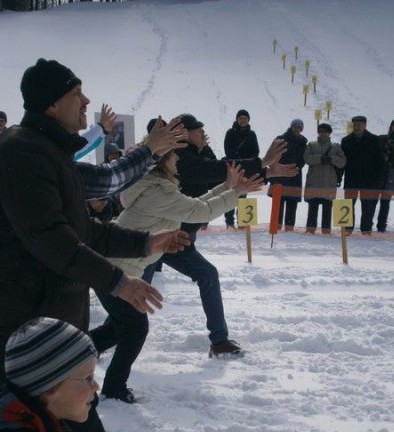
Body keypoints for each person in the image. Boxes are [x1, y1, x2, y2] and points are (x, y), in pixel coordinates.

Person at [0, 58, 189, 432]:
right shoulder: (21, 153)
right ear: (52, 102)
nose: (86, 101)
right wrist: (119, 283)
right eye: (78, 93)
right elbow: (50, 239)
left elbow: (87, 231)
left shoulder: (49, 153)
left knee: (82, 415)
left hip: (50, 324)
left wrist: (148, 243)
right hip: (21, 326)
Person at [90, 154, 263, 402]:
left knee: (120, 328)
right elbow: (199, 210)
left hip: (117, 267)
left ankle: (80, 348)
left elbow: (193, 206)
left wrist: (227, 187)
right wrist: (236, 193)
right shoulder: (159, 192)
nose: (177, 162)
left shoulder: (156, 187)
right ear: (162, 163)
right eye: (173, 158)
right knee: (135, 328)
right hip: (118, 271)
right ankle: (114, 387)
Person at [150, 113, 297, 358]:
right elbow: (215, 171)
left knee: (208, 274)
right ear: (185, 134)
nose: (203, 134)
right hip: (154, 240)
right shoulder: (178, 158)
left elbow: (225, 179)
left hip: (179, 241)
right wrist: (261, 162)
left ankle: (219, 341)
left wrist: (268, 172)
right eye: (198, 130)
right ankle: (93, 343)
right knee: (130, 308)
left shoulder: (197, 155)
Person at [340, 115, 385, 235]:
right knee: (348, 204)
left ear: (365, 125)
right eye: (354, 125)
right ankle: (347, 230)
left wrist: (380, 179)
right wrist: (339, 177)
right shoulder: (346, 140)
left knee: (368, 207)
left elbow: (380, 161)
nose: (356, 127)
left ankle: (366, 230)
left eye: (359, 125)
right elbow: (342, 161)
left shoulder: (374, 140)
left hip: (369, 180)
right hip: (351, 179)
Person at [303, 123, 346, 234]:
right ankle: (310, 231)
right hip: (314, 182)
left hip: (329, 183)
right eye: (320, 131)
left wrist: (331, 159)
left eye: (325, 131)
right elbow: (306, 158)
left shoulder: (336, 146)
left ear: (329, 133)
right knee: (312, 209)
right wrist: (321, 158)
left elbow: (342, 162)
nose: (322, 133)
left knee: (327, 210)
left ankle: (326, 232)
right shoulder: (311, 145)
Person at [268, 118, 307, 231]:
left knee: (292, 201)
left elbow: (303, 159)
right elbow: (272, 155)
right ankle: (276, 227)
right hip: (279, 174)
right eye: (295, 126)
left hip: (294, 174)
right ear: (291, 126)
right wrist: (275, 169)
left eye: (300, 127)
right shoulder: (281, 139)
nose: (297, 129)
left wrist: (296, 166)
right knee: (278, 202)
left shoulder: (303, 141)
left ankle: (289, 228)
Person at [223, 109, 260, 229]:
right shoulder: (230, 133)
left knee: (243, 195)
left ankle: (243, 222)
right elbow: (228, 150)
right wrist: (240, 160)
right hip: (234, 169)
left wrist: (248, 162)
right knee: (231, 195)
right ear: (237, 120)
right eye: (240, 118)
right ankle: (229, 222)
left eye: (245, 118)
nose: (243, 120)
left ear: (248, 120)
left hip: (246, 170)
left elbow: (256, 151)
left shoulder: (252, 134)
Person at [376, 117, 394, 232]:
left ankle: (381, 226)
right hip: (379, 173)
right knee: (372, 200)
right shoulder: (383, 139)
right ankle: (367, 224)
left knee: (385, 202)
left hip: (392, 175)